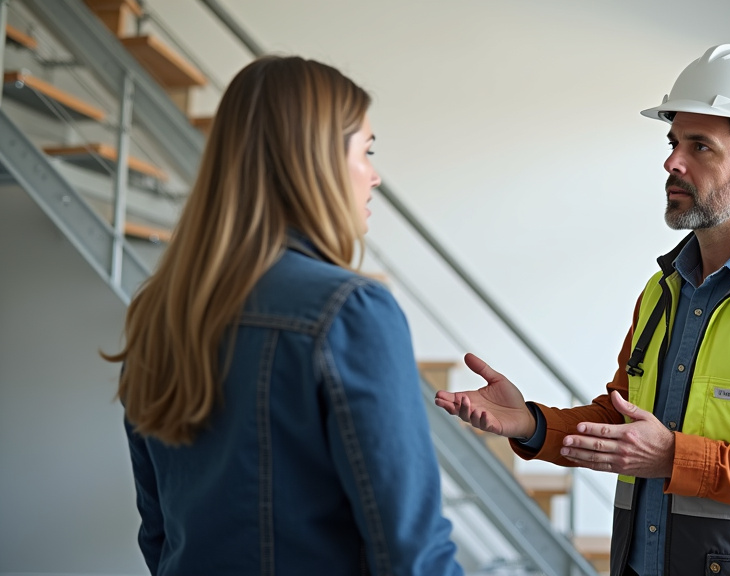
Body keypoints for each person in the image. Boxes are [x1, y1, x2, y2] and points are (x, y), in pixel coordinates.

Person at [435, 44, 730, 576]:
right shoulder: (663, 290)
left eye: (700, 146)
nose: (672, 162)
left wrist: (673, 457)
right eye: (673, 142)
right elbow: (624, 423)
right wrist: (531, 422)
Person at [103, 56, 463, 576]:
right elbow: (413, 554)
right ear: (315, 161)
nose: (375, 176)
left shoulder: (159, 311)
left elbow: (159, 536)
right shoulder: (350, 310)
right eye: (366, 151)